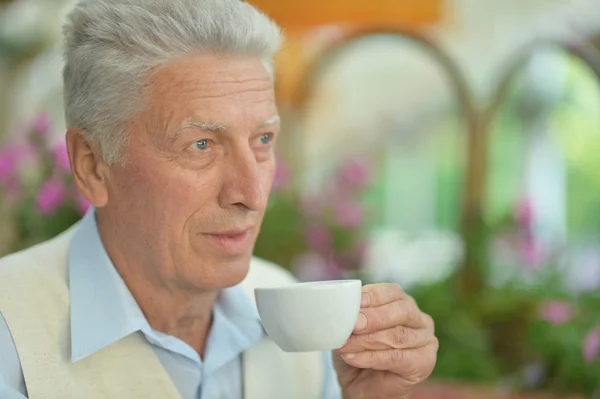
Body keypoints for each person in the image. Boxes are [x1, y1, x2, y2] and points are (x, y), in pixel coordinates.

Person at [0, 0, 438, 398]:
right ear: (93, 166)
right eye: (202, 145)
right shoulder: (10, 333)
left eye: (263, 139)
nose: (252, 194)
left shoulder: (297, 320)